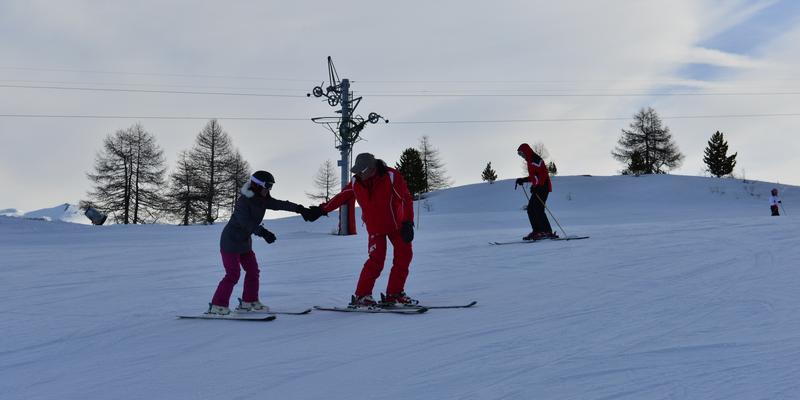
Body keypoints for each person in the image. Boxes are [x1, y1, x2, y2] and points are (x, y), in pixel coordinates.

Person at [303, 153, 417, 308]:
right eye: (356, 171)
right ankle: (362, 296)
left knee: (404, 257)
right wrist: (322, 210)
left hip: (397, 226)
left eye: (360, 171)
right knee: (375, 262)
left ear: (372, 168)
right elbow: (342, 196)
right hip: (375, 228)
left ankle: (394, 295)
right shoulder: (357, 181)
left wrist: (408, 222)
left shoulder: (391, 176)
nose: (357, 174)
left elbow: (405, 199)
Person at [207, 170, 309, 315]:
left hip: (244, 242)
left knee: (253, 271)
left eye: (271, 186)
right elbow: (245, 223)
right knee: (233, 274)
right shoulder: (243, 200)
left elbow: (280, 204)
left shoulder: (263, 199)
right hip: (230, 241)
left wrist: (300, 209)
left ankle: (249, 301)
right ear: (256, 185)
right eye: (267, 186)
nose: (269, 189)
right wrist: (263, 232)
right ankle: (217, 305)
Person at [515, 143, 555, 240]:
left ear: (526, 151)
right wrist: (523, 180)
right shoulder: (529, 161)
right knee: (531, 209)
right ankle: (537, 231)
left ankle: (547, 232)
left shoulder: (535, 159)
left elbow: (543, 174)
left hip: (543, 187)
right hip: (538, 187)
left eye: (521, 153)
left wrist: (538, 186)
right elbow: (534, 177)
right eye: (519, 154)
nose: (521, 156)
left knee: (538, 209)